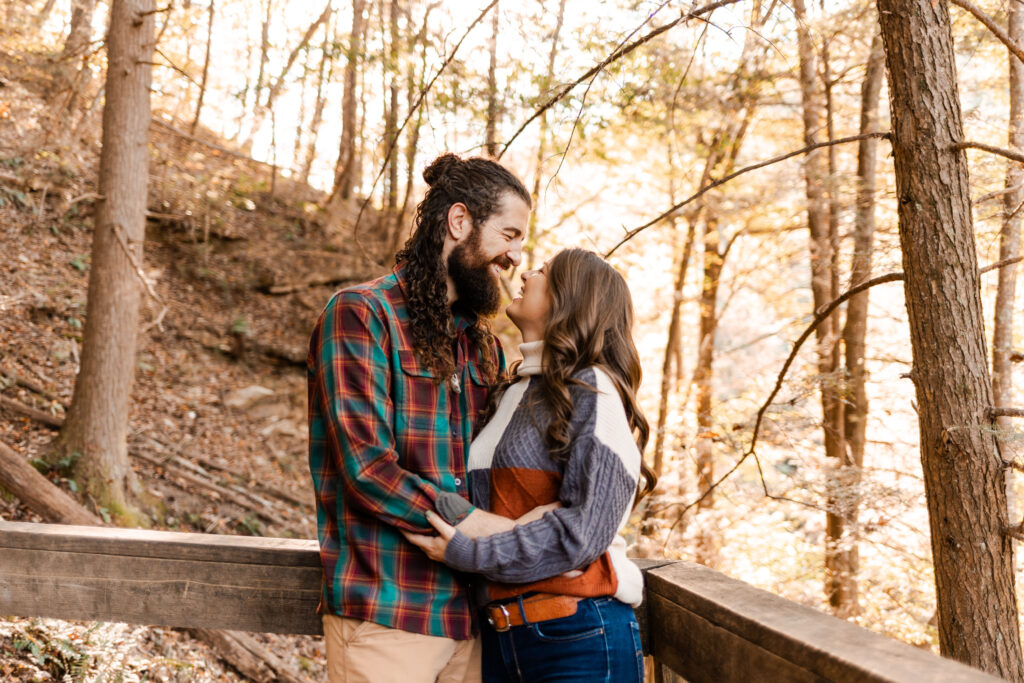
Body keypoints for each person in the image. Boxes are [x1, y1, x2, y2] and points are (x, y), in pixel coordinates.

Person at [307, 152, 533, 683]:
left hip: (476, 622)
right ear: (459, 222)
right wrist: (472, 525)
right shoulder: (362, 314)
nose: (516, 256)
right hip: (388, 615)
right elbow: (367, 468)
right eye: (509, 234)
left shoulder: (485, 349)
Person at [405, 248, 658, 682]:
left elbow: (583, 533)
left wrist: (470, 551)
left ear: (570, 298)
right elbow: (471, 502)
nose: (527, 273)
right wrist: (501, 526)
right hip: (504, 639)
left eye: (543, 271)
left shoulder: (591, 388)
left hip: (578, 636)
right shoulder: (512, 392)